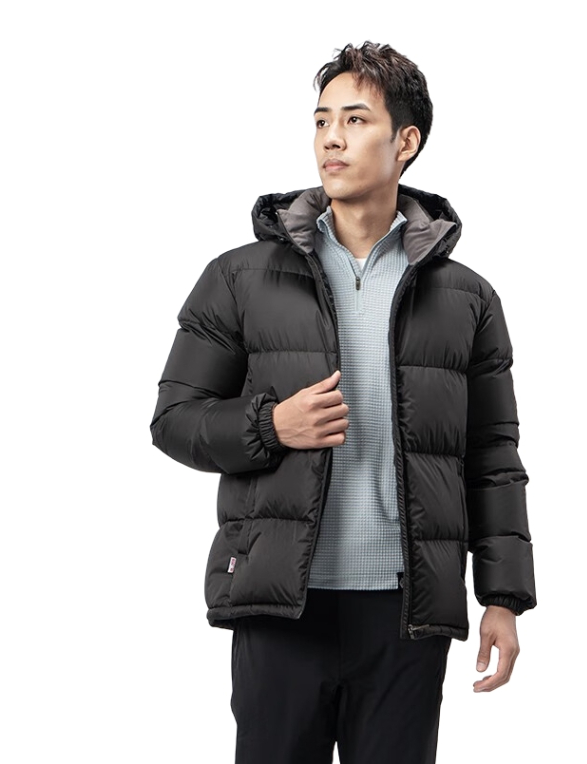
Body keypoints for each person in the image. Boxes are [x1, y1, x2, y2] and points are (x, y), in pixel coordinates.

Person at [150, 41, 537, 764]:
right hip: (280, 607)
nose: (332, 137)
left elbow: (492, 458)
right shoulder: (239, 278)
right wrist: (270, 425)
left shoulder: (467, 298)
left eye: (356, 120)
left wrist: (504, 597)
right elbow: (174, 421)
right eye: (322, 120)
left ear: (405, 142)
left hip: (406, 613)